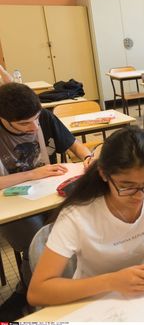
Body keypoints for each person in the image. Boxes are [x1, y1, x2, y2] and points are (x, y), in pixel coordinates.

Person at [27, 126, 144, 306]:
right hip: (93, 298)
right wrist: (111, 281)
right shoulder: (77, 215)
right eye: (127, 186)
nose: (140, 195)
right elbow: (37, 292)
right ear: (104, 174)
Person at [0, 83, 94, 320]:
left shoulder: (44, 118)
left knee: (77, 222)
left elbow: (74, 145)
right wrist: (32, 174)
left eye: (36, 119)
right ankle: (35, 292)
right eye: (24, 124)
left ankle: (65, 281)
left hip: (48, 194)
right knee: (38, 239)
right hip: (12, 203)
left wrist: (88, 157)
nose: (33, 127)